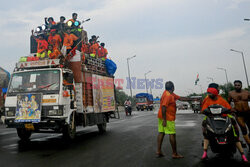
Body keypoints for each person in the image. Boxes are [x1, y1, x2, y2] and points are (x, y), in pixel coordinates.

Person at [201, 83, 248, 162]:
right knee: (205, 127)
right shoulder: (207, 99)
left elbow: (228, 108)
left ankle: (241, 152)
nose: (210, 94)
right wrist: (206, 113)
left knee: (234, 127)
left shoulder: (221, 99)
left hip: (224, 117)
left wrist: (232, 110)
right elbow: (203, 109)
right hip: (211, 118)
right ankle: (205, 152)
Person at [157, 81, 196, 159]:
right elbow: (164, 107)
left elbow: (180, 98)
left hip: (161, 116)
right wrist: (165, 120)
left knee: (161, 132)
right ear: (173, 88)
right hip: (167, 118)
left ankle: (159, 151)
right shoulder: (168, 95)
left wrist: (191, 99)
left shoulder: (168, 93)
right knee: (172, 134)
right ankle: (174, 153)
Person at [228, 80, 250, 151]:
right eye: (235, 85)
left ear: (241, 85)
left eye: (238, 85)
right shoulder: (231, 93)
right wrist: (231, 109)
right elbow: (227, 103)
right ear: (234, 86)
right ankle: (249, 145)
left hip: (248, 113)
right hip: (239, 114)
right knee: (244, 129)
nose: (237, 86)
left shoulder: (247, 92)